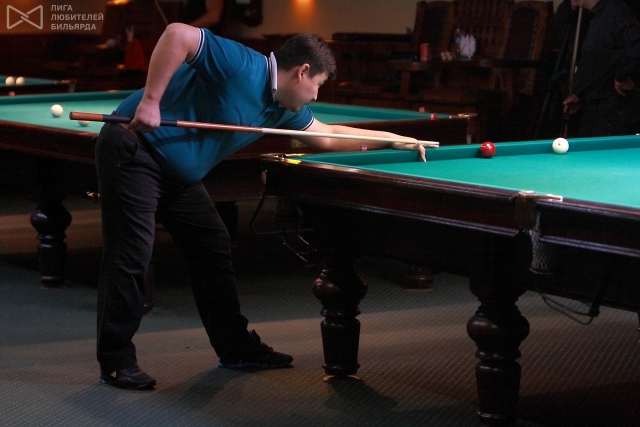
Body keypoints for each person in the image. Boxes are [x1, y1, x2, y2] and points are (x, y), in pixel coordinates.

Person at [96, 24, 424, 390]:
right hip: (134, 147)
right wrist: (151, 101)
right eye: (317, 85)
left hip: (176, 173)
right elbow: (177, 35)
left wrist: (394, 139)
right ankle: (116, 361)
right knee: (132, 252)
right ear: (302, 72)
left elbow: (329, 137)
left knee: (212, 244)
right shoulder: (241, 64)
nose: (315, 95)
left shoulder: (283, 109)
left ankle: (235, 348)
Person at [562, 0, 640, 137]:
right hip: (594, 106)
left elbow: (637, 45)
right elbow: (599, 64)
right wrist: (581, 94)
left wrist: (622, 75)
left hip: (612, 110)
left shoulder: (615, 10)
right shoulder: (598, 15)